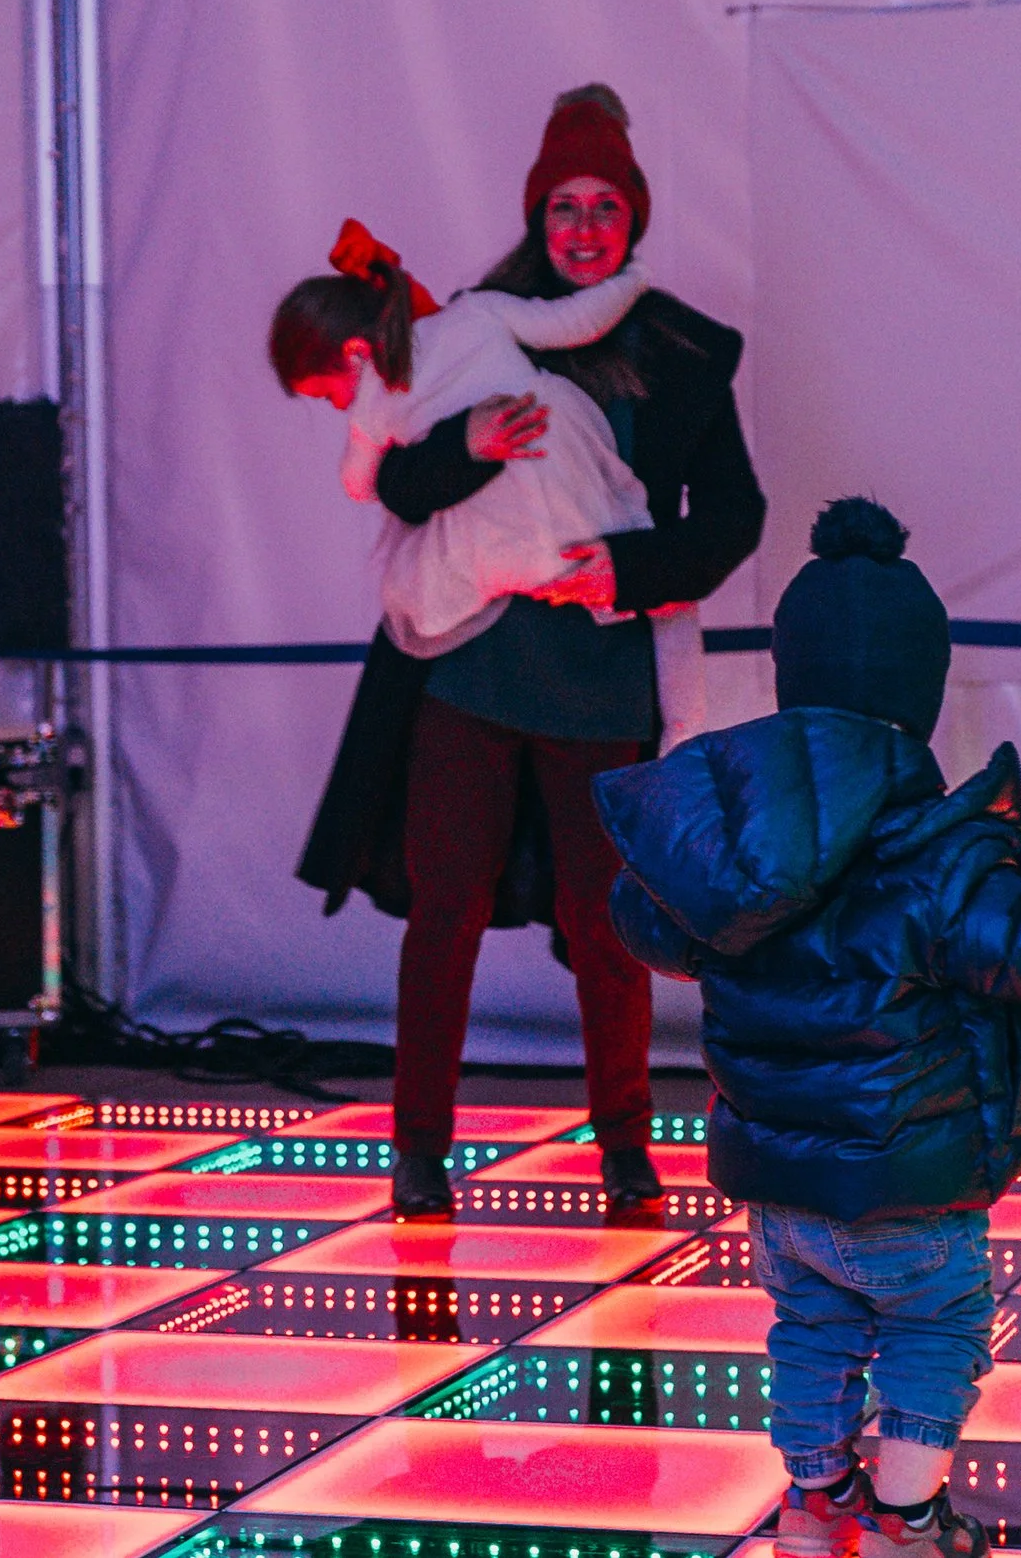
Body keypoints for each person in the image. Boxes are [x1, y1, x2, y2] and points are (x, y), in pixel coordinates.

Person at [590, 498, 1021, 1556]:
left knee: (812, 1327)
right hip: (909, 1175)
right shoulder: (935, 848)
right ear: (916, 694)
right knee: (935, 1325)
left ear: (794, 677)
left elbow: (643, 916)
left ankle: (813, 1500)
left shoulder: (738, 859)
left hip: (779, 1177)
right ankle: (907, 1517)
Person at [298, 84, 767, 1219]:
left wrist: (629, 571)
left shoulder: (681, 350)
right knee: (442, 907)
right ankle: (418, 1149)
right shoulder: (475, 321)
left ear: (633, 217)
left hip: (600, 667)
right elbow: (401, 484)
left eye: (605, 205)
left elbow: (733, 516)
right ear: (537, 216)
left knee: (608, 926)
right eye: (564, 205)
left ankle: (624, 1150)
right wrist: (462, 443)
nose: (584, 227)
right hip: (467, 658)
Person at [268, 218, 705, 752]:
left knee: (434, 602)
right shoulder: (475, 313)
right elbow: (571, 322)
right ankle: (685, 725)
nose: (336, 405)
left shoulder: (373, 404)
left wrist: (365, 437)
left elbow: (358, 484)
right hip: (557, 478)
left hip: (500, 534)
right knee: (659, 587)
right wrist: (631, 281)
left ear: (357, 353)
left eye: (326, 394)